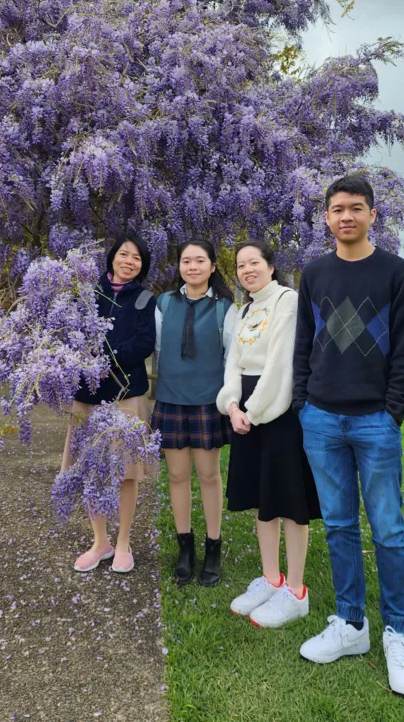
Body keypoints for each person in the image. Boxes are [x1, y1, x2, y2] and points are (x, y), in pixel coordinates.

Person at [293, 175, 404, 697]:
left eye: (355, 208)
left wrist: (393, 412)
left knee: (388, 530)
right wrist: (303, 404)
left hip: (375, 420)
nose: (345, 216)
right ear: (326, 217)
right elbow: (303, 344)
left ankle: (397, 632)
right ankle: (351, 624)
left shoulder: (396, 273)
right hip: (321, 419)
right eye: (336, 209)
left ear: (373, 214)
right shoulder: (314, 273)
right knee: (339, 526)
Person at [217, 241, 321, 628]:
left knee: (289, 498)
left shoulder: (286, 301)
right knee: (262, 497)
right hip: (245, 409)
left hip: (277, 410)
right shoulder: (245, 309)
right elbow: (233, 363)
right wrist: (231, 405)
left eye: (254, 263)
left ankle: (295, 590)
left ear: (271, 266)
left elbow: (280, 364)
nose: (247, 270)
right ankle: (271, 578)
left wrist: (253, 411)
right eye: (241, 265)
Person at [61, 234, 156, 575]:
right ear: (112, 257)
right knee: (91, 468)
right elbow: (68, 335)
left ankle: (124, 543)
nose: (129, 261)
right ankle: (100, 542)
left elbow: (144, 343)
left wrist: (107, 357)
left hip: (126, 395)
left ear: (142, 266)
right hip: (87, 396)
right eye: (124, 254)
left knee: (126, 473)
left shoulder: (144, 298)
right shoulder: (86, 293)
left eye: (137, 258)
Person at [152, 240, 237, 587]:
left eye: (200, 260)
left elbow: (231, 357)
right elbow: (158, 349)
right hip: (171, 399)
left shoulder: (225, 308)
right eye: (186, 261)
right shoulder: (163, 303)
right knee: (176, 476)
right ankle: (184, 547)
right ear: (179, 267)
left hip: (207, 400)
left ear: (212, 266)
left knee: (209, 475)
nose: (192, 267)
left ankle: (213, 546)